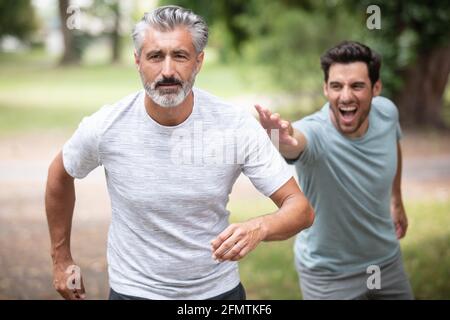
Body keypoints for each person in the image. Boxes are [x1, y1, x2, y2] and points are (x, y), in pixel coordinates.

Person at [45, 5, 314, 300]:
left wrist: (259, 227)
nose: (168, 71)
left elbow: (300, 209)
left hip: (218, 294)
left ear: (199, 61)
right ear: (137, 60)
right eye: (155, 56)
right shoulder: (106, 126)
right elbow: (60, 175)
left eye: (180, 56)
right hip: (133, 292)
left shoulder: (235, 126)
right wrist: (62, 260)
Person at [255, 41, 413, 299]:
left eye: (357, 86)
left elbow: (393, 145)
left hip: (385, 263)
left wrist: (396, 198)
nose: (346, 96)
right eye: (337, 86)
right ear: (326, 89)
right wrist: (282, 138)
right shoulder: (315, 132)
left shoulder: (387, 113)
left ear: (376, 88)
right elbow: (296, 142)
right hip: (328, 274)